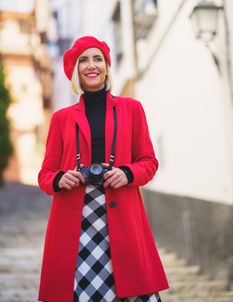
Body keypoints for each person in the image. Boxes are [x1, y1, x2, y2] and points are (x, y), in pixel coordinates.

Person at [38, 36, 169, 302]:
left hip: (123, 216)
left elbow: (149, 162)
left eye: (97, 58)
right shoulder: (61, 119)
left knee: (132, 287)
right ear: (76, 71)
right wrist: (61, 179)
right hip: (76, 222)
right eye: (83, 60)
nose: (91, 65)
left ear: (107, 66)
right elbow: (45, 175)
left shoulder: (131, 109)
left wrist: (128, 173)